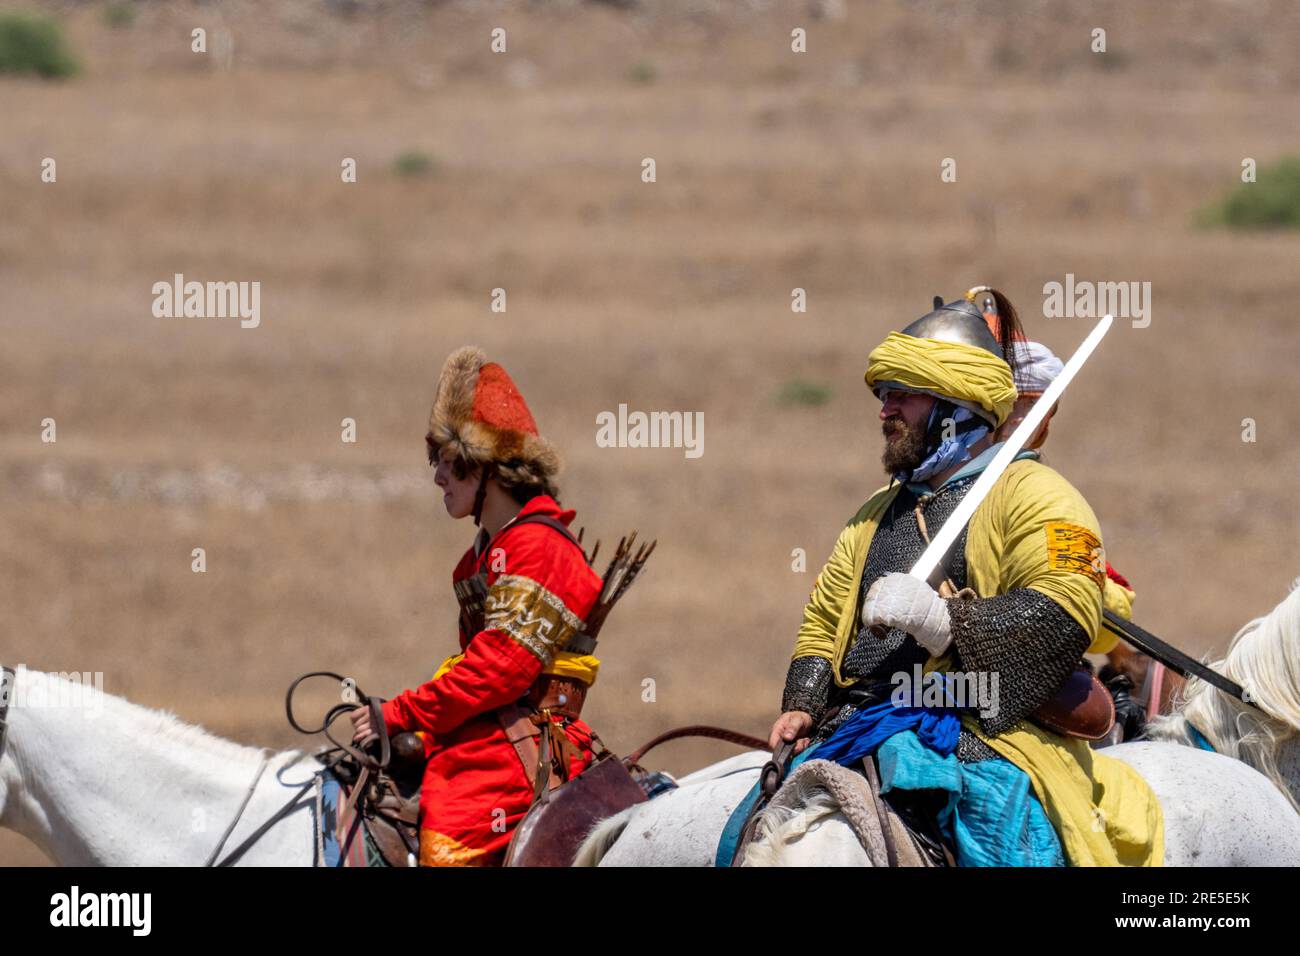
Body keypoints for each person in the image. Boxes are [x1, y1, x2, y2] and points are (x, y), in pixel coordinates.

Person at [767, 287, 1162, 866]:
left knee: (1006, 845)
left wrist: (941, 621)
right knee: (740, 833)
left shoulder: (1040, 495)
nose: (884, 410)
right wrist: (803, 699)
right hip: (856, 726)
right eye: (883, 395)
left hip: (988, 729)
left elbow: (1067, 609)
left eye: (902, 395)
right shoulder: (874, 513)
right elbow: (826, 620)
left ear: (955, 406)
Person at [350, 345, 603, 866]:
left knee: (447, 845)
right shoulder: (484, 555)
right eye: (434, 461)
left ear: (487, 467)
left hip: (520, 748)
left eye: (449, 462)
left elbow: (500, 670)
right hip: (488, 732)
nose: (437, 476)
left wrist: (400, 711)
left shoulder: (538, 548)